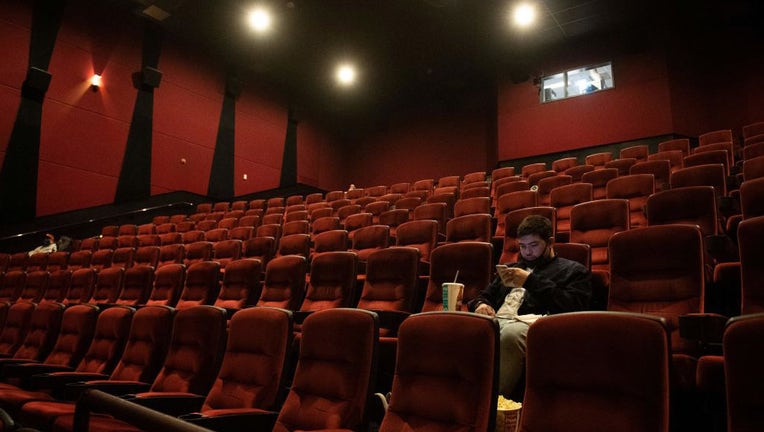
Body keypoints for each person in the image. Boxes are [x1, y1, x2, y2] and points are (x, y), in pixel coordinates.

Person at [469, 215, 591, 397]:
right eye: (523, 246)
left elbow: (574, 306)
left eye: (534, 245)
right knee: (460, 326)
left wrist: (530, 281)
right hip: (498, 320)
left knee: (510, 334)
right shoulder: (510, 268)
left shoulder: (573, 270)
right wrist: (481, 305)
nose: (527, 252)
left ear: (550, 242)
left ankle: (494, 402)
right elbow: (483, 296)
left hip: (535, 324)